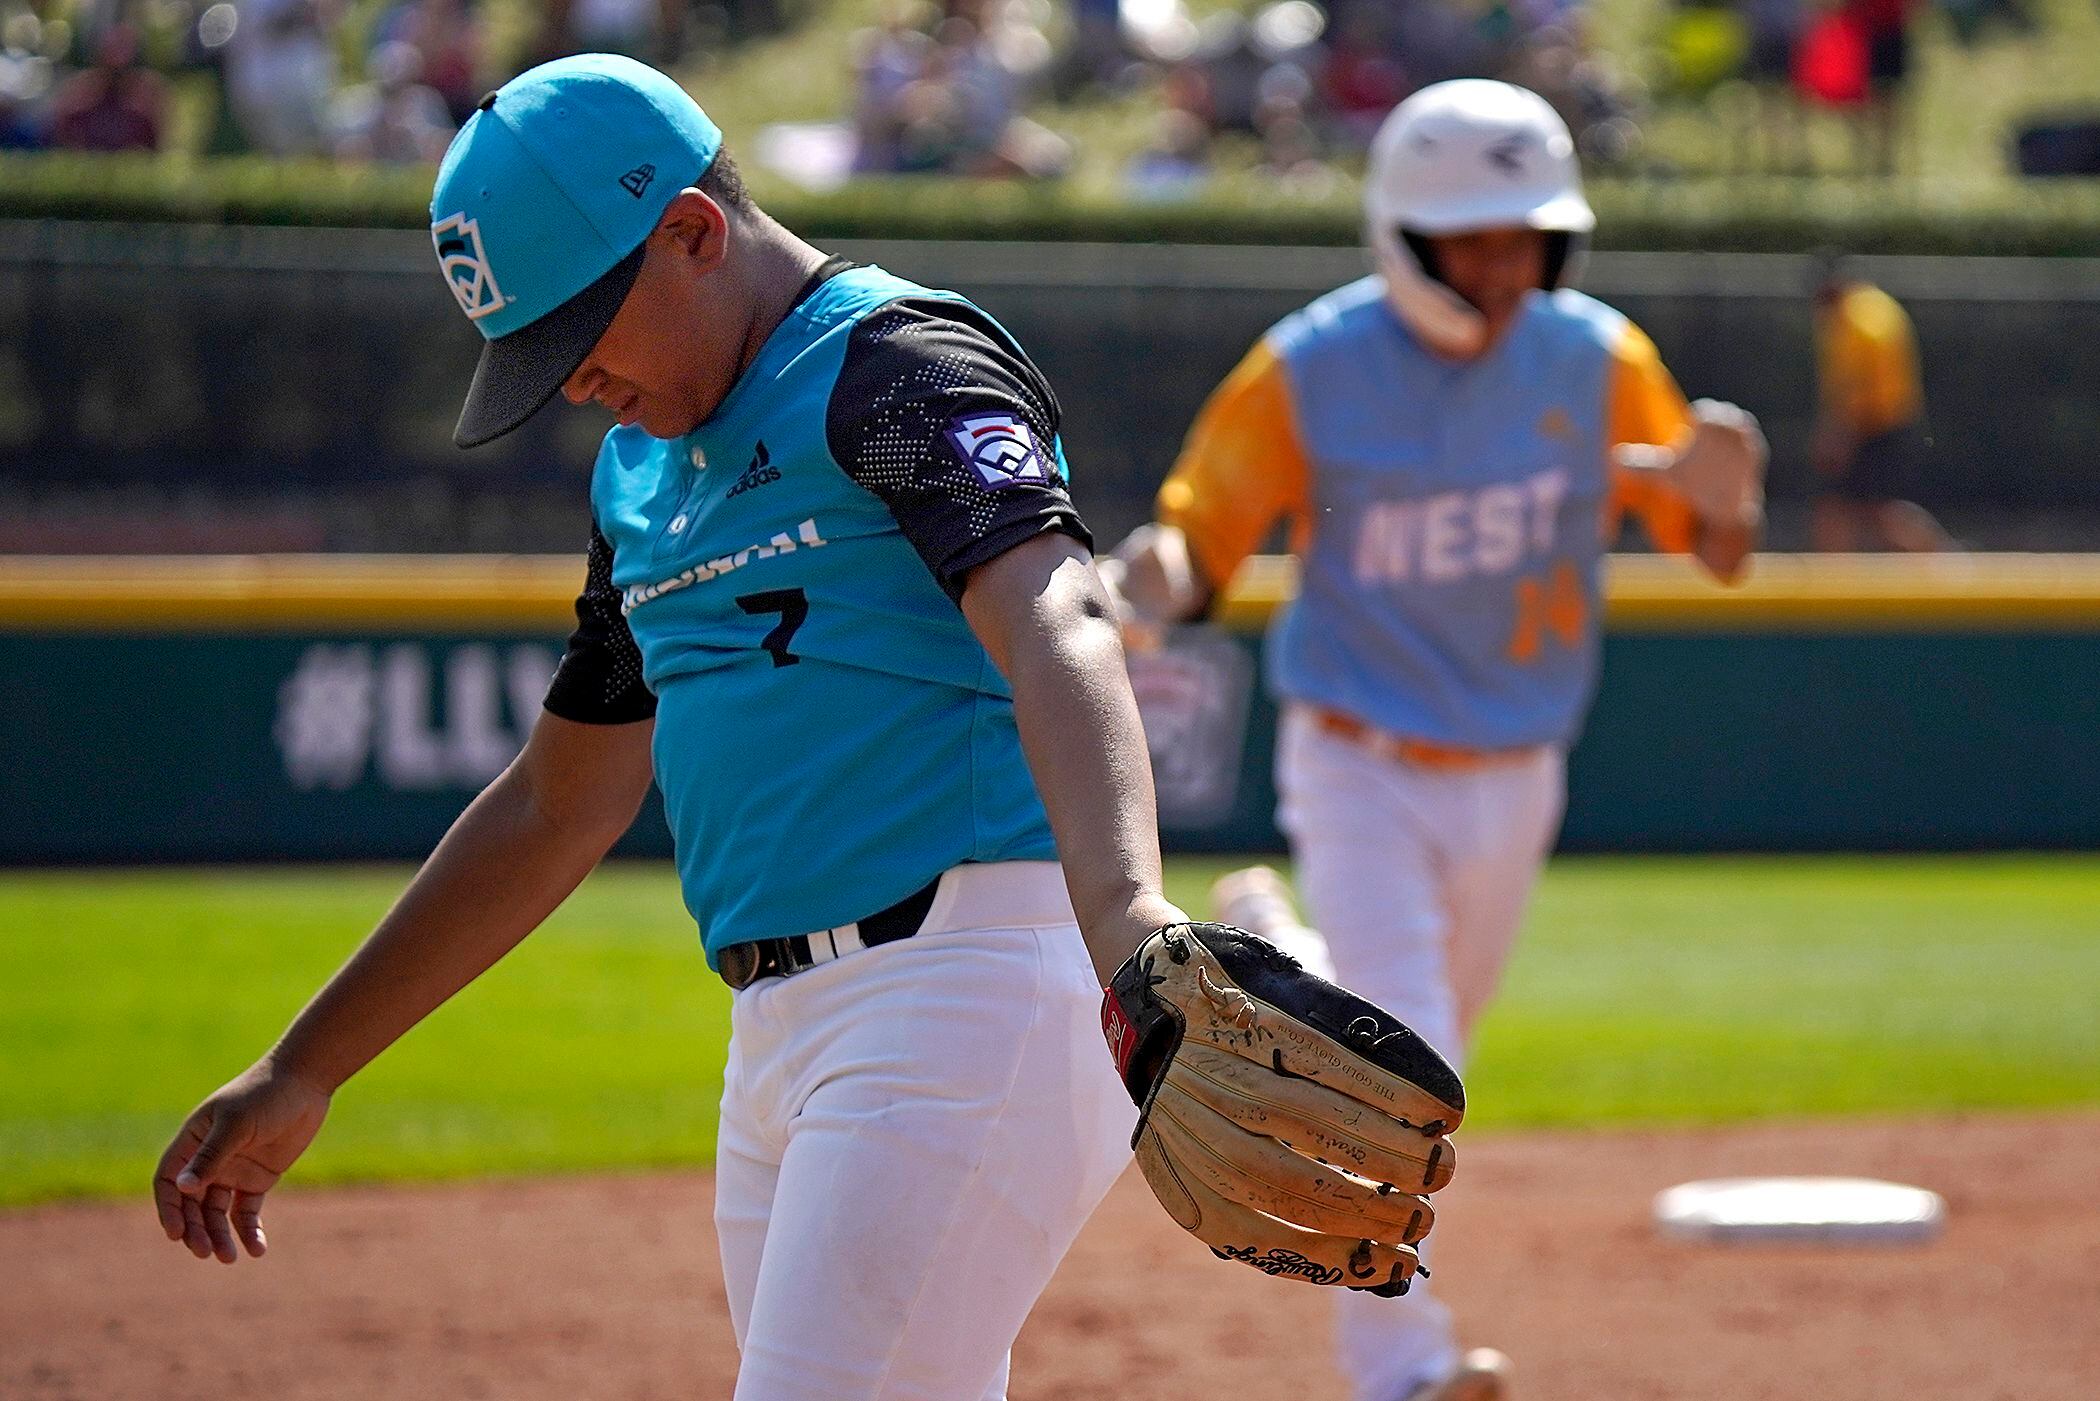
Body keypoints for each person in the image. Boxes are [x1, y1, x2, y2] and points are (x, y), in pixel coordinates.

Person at [149, 53, 1171, 1401]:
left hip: (965, 988)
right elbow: (554, 801)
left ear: (691, 231)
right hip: (784, 1028)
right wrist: (305, 1064)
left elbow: (1060, 621)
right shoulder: (645, 472)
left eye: (580, 337)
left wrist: (1133, 930)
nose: (574, 385)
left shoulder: (890, 368)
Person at [1102, 79, 1766, 1401]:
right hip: (1359, 760)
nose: (1508, 264)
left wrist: (1726, 498)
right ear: (1406, 237)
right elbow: (1202, 532)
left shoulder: (1593, 354)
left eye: (1529, 236)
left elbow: (1717, 547)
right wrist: (1148, 582)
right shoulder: (1311, 364)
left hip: (1519, 773)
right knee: (1409, 1071)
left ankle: (1291, 960)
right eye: (1478, 237)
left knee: (1415, 1057)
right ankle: (1401, 1366)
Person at [1809, 251, 1954, 552]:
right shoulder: (1876, 305)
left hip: (1872, 427)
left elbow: (1857, 381)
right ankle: (1946, 562)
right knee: (1870, 510)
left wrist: (1840, 432)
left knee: (1851, 511)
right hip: (1893, 420)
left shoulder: (1853, 318)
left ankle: (1943, 562)